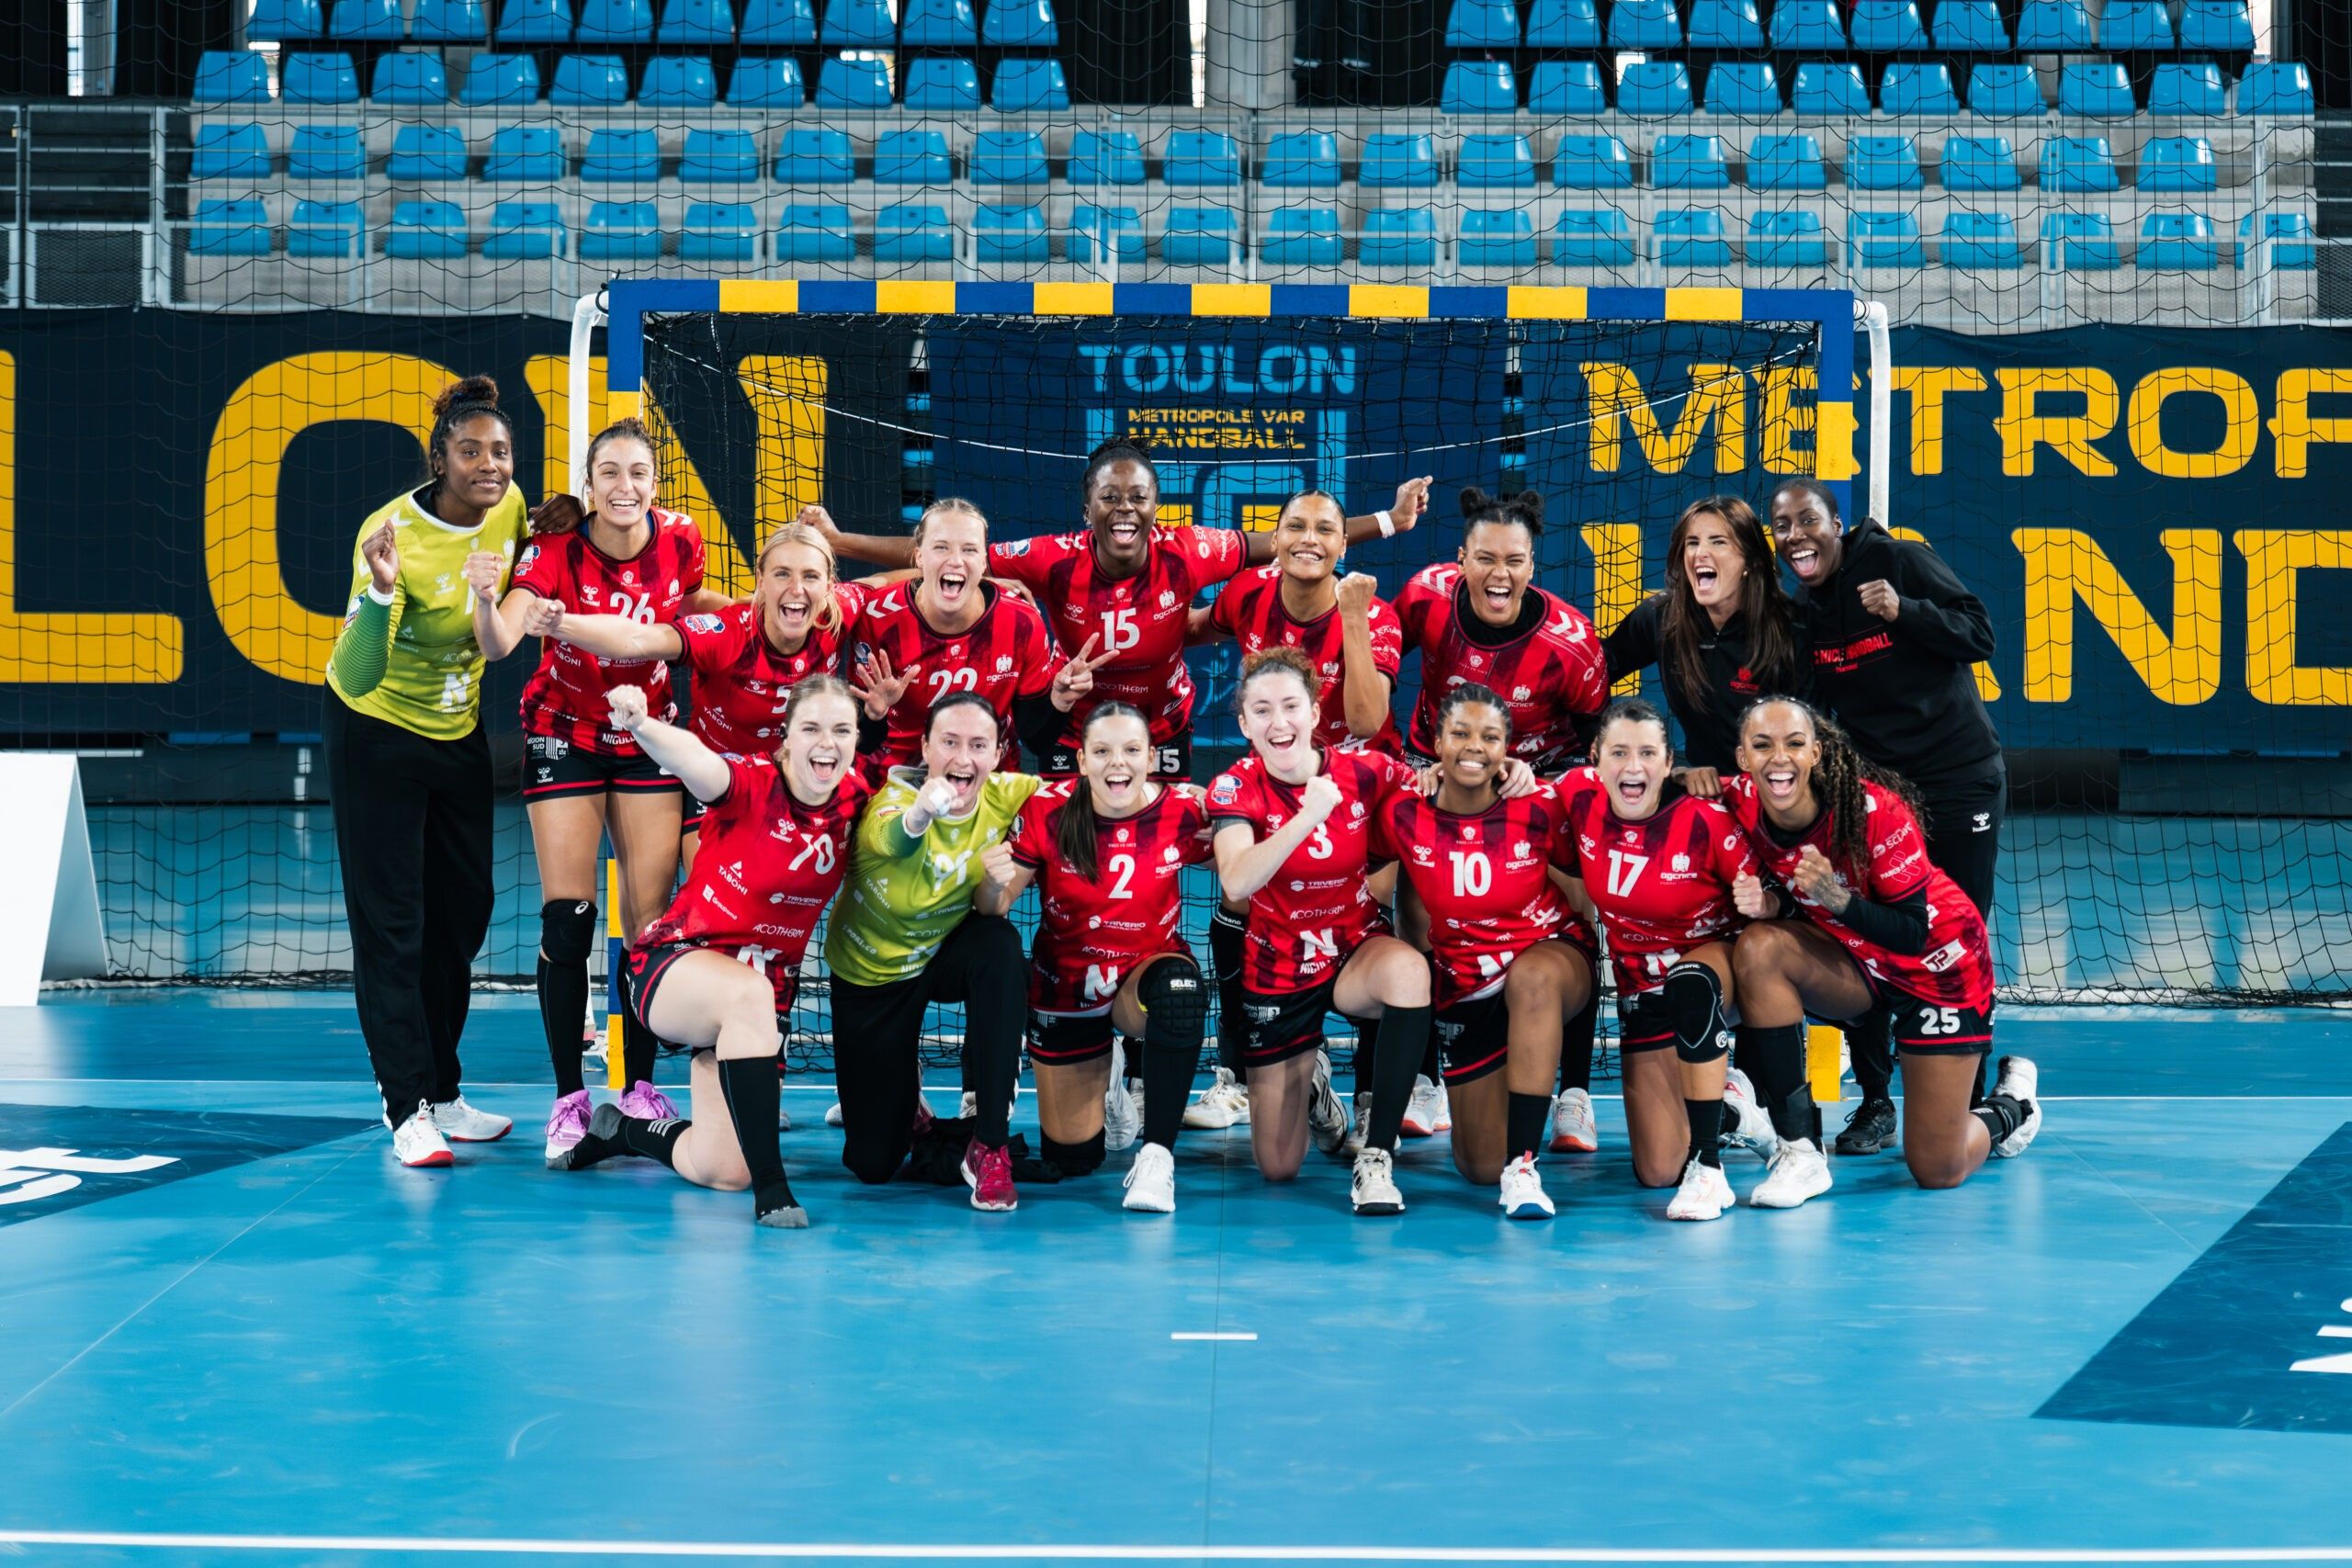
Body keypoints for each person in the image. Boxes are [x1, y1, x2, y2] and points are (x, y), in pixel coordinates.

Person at [811, 443, 1431, 780]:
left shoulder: (1190, 550)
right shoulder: (1054, 557)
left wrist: (1389, 521)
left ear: (1157, 506)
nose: (1125, 507)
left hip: (1162, 725)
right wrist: (841, 544)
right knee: (1067, 856)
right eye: (1110, 496)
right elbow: (945, 556)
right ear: (1089, 510)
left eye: (1139, 496)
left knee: (1156, 851)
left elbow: (1293, 542)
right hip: (1075, 725)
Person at [473, 417, 729, 1167]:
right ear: (588, 485)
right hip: (564, 733)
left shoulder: (681, 539)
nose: (625, 486)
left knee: (649, 923)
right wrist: (490, 600)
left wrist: (760, 609)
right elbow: (501, 640)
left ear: (656, 482)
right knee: (569, 918)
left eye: (638, 472)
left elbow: (688, 602)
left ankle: (639, 1090)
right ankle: (568, 1099)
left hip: (645, 734)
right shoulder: (555, 549)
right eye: (609, 472)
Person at [554, 677, 870, 1228]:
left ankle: (619, 1130)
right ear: (787, 739)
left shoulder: (858, 797)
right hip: (672, 969)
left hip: (757, 1006)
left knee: (723, 1170)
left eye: (842, 730)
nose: (827, 743)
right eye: (812, 729)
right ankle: (773, 1189)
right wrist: (642, 726)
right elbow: (696, 762)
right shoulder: (752, 782)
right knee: (748, 993)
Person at [322, 374, 528, 1167]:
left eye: (500, 451)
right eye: (470, 451)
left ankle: (443, 1090)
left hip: (456, 729)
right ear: (440, 459)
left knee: (463, 914)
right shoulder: (390, 536)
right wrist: (380, 592)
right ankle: (405, 1103)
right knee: (394, 925)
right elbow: (360, 670)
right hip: (375, 731)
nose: (489, 465)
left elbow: (529, 565)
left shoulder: (509, 508)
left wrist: (558, 520)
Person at [1770, 479, 2004, 1157]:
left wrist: (1905, 611)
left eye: (1808, 520)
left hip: (1958, 779)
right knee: (1862, 936)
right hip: (1880, 798)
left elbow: (1979, 634)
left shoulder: (1898, 561)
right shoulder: (1805, 611)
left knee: (1954, 935)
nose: (1796, 536)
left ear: (1837, 525)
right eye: (1782, 525)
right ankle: (1876, 1101)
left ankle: (1971, 1098)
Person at [1724, 697, 2041, 1192]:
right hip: (1859, 960)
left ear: (1816, 753)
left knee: (1937, 1169)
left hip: (1939, 965)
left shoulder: (1875, 811)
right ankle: (1798, 1148)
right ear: (1743, 758)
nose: (1778, 758)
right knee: (1760, 947)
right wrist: (1771, 903)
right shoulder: (1739, 798)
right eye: (1762, 746)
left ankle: (2011, 1107)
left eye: (1794, 743)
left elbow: (1912, 932)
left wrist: (1834, 897)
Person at [1394, 486, 1611, 1155]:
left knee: (1578, 902)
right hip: (1440, 764)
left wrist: (1542, 786)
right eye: (1485, 558)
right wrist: (1411, 768)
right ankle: (1426, 1079)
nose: (1499, 573)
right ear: (1460, 559)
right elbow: (1377, 662)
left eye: (1514, 560)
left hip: (1537, 777)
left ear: (1532, 565)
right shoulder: (1425, 596)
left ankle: (1575, 1094)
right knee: (1415, 905)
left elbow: (1597, 748)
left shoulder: (1570, 644)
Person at [1182, 489, 1406, 1134]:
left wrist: (1354, 619)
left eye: (1326, 529)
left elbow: (1365, 722)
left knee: (1372, 920)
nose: (1310, 538)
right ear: (1275, 540)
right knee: (1237, 906)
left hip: (1360, 787)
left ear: (1343, 544)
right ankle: (1238, 1075)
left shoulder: (1374, 613)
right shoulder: (1248, 592)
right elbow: (1188, 626)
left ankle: (1374, 1096)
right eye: (1296, 527)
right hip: (1277, 779)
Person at [1206, 648, 1436, 1216]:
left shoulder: (1366, 770)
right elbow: (1237, 879)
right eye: (1262, 711)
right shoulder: (1235, 787)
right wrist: (1308, 814)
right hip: (1278, 967)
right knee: (1278, 1166)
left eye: (1291, 706)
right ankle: (1313, 1084)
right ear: (1244, 725)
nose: (1278, 723)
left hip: (1352, 950)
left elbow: (1438, 788)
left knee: (1410, 972)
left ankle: (1376, 1155)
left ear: (1313, 712)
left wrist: (1500, 773)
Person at [974, 703, 1213, 1213]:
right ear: (1082, 761)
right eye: (1102, 751)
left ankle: (1157, 1158)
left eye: (1131, 750)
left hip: (1144, 974)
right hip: (1065, 985)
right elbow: (995, 907)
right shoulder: (1047, 810)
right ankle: (1110, 1073)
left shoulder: (1185, 811)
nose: (1117, 763)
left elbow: (1246, 869)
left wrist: (1237, 822)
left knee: (1182, 995)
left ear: (1152, 758)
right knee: (1074, 1158)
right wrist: (991, 882)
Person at [1373, 685, 1597, 1221]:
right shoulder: (1404, 812)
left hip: (1547, 959)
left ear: (1507, 749)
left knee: (1533, 979)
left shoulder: (1539, 805)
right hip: (1466, 984)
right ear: (1436, 743)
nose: (1475, 746)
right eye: (1461, 733)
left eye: (1490, 737)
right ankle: (1506, 1127)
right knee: (1477, 1165)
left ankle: (1524, 1166)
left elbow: (1590, 863)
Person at [1555, 701, 1785, 1221]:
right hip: (1644, 994)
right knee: (1657, 1171)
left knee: (1691, 981)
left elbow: (1773, 905)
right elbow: (1510, 792)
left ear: (1667, 763)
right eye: (1618, 753)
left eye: (1646, 754)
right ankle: (1732, 1111)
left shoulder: (1707, 819)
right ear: (1595, 759)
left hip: (1717, 977)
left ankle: (1716, 1161)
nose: (1632, 767)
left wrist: (1765, 902)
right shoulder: (1577, 795)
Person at [545, 520, 868, 874]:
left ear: (829, 585)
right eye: (782, 574)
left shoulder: (837, 614)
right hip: (716, 782)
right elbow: (638, 639)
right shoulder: (728, 634)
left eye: (810, 576)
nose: (797, 589)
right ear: (761, 581)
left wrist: (845, 539)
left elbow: (904, 576)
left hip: (792, 787)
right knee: (711, 892)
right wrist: (558, 624)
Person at [823, 692, 1040, 1211]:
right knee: (873, 1165)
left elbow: (1089, 793)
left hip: (944, 954)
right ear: (924, 748)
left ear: (997, 754)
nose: (964, 758)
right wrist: (922, 813)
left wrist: (1197, 804)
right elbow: (895, 836)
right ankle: (907, 1103)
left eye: (978, 745)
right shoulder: (891, 804)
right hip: (873, 976)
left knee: (1001, 946)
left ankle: (989, 1146)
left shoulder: (1008, 794)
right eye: (949, 742)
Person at [844, 498, 1099, 774]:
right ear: (919, 557)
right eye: (941, 547)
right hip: (894, 778)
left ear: (983, 561)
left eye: (969, 550)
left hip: (989, 780)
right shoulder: (877, 617)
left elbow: (1036, 741)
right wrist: (874, 715)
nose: (955, 561)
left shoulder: (1021, 621)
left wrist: (1059, 703)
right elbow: (864, 743)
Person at [1602, 496, 1806, 788]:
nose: (1700, 553)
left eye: (1718, 542)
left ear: (1750, 562)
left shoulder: (1789, 628)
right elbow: (1592, 673)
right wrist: (1680, 772)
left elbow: (1811, 738)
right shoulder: (1661, 617)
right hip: (1700, 788)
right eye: (1693, 542)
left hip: (1777, 789)